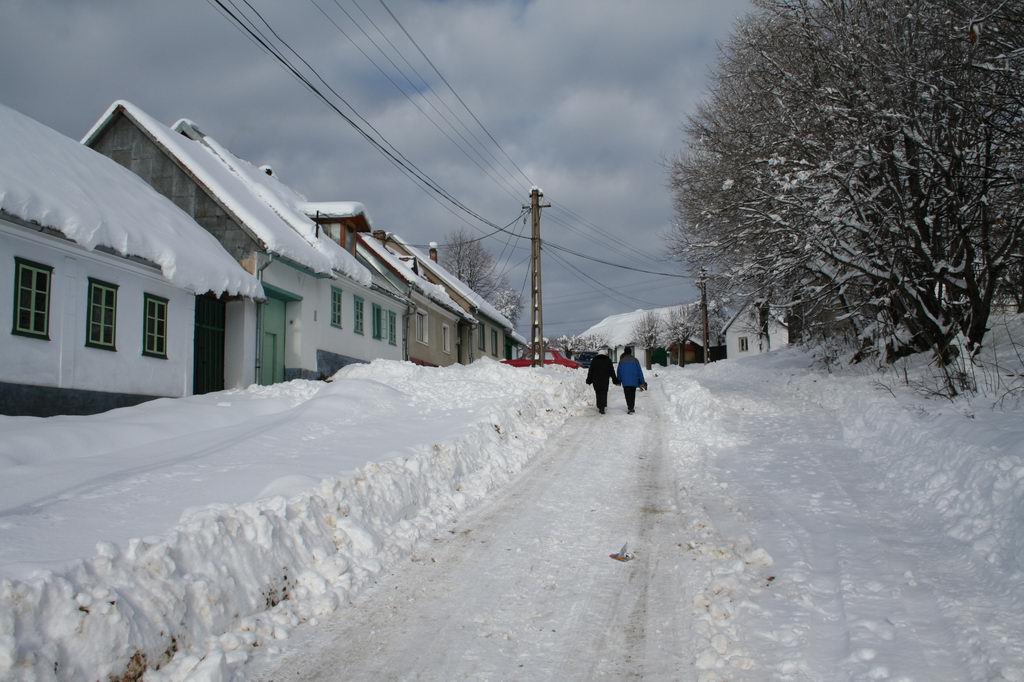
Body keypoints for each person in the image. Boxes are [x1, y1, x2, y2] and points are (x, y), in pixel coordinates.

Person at [585, 348, 617, 414]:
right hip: (605, 380)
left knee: (598, 392)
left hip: (596, 380)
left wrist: (589, 380)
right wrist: (614, 379)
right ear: (604, 354)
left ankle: (599, 406)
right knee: (604, 393)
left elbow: (591, 371)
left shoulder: (594, 360)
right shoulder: (608, 360)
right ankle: (602, 407)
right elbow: (611, 371)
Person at [615, 347, 646, 414]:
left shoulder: (621, 361)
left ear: (625, 352)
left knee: (627, 395)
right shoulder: (635, 360)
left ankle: (630, 407)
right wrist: (642, 381)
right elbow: (639, 371)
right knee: (632, 394)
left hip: (625, 382)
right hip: (634, 381)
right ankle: (631, 407)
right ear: (631, 352)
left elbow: (619, 372)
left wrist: (619, 381)